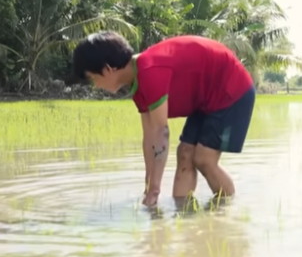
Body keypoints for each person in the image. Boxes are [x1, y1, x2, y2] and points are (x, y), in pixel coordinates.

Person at [72, 32, 255, 208]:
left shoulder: (150, 69)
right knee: (185, 153)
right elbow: (149, 137)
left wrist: (155, 190)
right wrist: (149, 184)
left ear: (108, 69)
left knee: (204, 159)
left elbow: (161, 132)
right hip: (206, 98)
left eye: (93, 78)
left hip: (231, 89)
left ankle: (229, 212)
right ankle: (184, 214)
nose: (96, 85)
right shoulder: (138, 85)